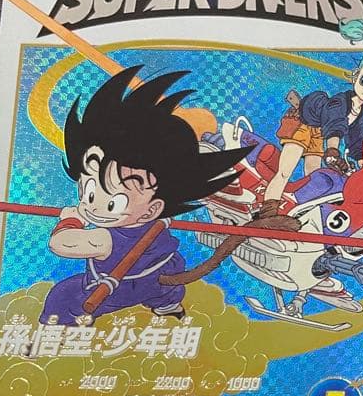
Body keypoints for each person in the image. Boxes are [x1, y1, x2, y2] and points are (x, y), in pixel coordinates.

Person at [41, 66, 250, 324]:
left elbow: (61, 244)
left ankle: (57, 328)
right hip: (162, 278)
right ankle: (169, 305)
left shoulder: (107, 239)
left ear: (153, 209)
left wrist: (71, 220)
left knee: (62, 295)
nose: (91, 206)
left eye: (113, 203)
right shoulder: (154, 222)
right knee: (166, 279)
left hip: (121, 287)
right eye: (89, 192)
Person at [261, 19, 363, 206]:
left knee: (314, 178)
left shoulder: (359, 112)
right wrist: (333, 150)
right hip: (302, 125)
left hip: (319, 133)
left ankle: (299, 212)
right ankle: (268, 210)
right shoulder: (340, 101)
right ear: (357, 74)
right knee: (285, 171)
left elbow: (356, 140)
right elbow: (335, 123)